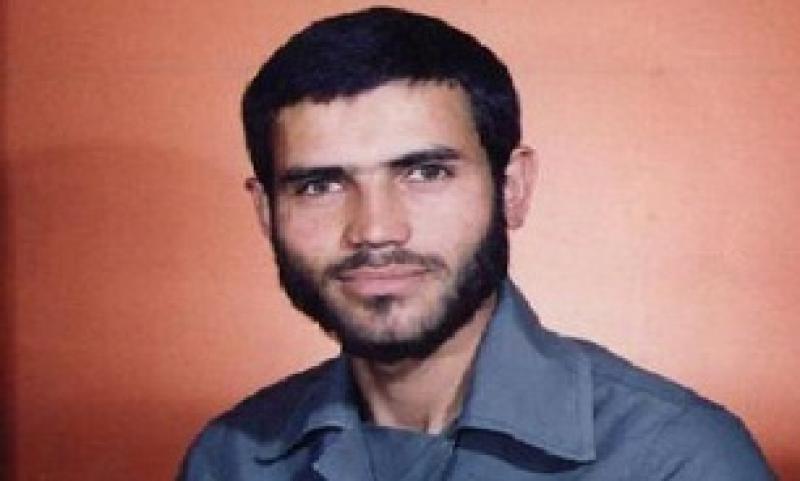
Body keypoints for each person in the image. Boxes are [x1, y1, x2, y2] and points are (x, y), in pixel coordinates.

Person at [178, 7, 775, 480]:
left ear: (511, 189)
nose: (375, 229)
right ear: (266, 212)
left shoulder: (674, 460)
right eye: (320, 185)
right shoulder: (231, 460)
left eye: (425, 173)